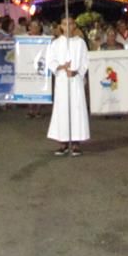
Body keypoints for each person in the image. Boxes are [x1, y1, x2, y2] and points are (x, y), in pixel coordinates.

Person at [46, 16, 90, 156]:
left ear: (74, 26)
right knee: (62, 110)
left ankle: (76, 143)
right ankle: (63, 142)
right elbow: (50, 61)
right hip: (62, 81)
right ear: (61, 26)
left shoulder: (80, 43)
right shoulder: (56, 43)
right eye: (65, 24)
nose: (68, 26)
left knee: (76, 109)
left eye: (70, 24)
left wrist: (77, 71)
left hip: (75, 81)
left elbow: (85, 60)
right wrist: (61, 67)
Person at [25, 19, 46, 119]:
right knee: (29, 89)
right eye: (32, 26)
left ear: (39, 28)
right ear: (29, 27)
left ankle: (38, 111)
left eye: (36, 26)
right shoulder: (23, 38)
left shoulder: (45, 38)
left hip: (41, 67)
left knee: (40, 89)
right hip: (28, 66)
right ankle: (30, 110)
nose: (34, 28)